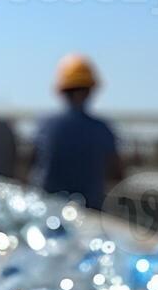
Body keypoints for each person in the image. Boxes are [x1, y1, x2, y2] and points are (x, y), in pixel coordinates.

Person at [31, 53, 126, 207]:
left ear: (62, 91)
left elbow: (32, 163)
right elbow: (117, 173)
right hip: (90, 215)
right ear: (90, 90)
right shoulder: (102, 129)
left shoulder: (45, 126)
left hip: (48, 212)